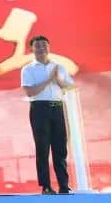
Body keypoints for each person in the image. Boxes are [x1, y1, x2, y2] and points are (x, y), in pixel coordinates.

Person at [20, 35, 74, 194]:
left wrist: (58, 80)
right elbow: (30, 92)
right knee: (42, 148)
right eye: (37, 45)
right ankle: (46, 186)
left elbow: (70, 87)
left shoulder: (59, 67)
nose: (41, 48)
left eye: (44, 45)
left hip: (57, 107)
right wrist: (50, 79)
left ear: (49, 47)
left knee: (60, 147)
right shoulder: (28, 69)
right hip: (39, 108)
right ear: (32, 49)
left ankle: (64, 185)